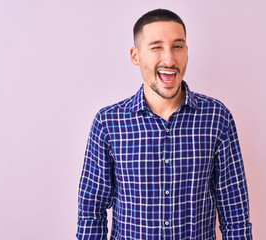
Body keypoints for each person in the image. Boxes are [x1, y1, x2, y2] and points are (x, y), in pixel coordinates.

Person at [77, 9, 252, 240]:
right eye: (156, 47)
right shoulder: (108, 122)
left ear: (187, 53)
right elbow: (91, 211)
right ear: (135, 55)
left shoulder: (217, 118)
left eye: (177, 46)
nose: (169, 59)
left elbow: (235, 214)